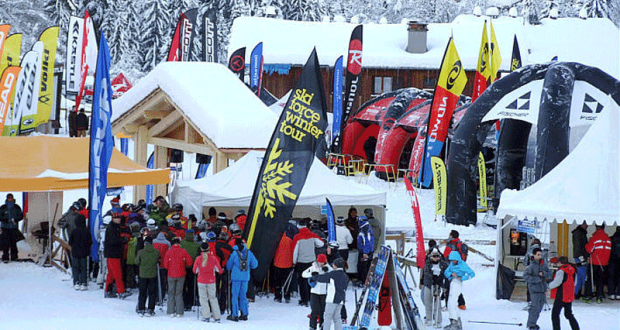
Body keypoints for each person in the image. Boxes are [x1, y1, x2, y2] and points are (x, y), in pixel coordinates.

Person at [293, 222, 325, 307]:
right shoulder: (312, 235)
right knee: (311, 280)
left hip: (301, 262)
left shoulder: (297, 237)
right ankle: (312, 299)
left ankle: (304, 300)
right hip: (312, 262)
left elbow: (295, 252)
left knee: (302, 282)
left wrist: (294, 262)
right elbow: (321, 243)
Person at [311, 258, 349, 330]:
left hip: (332, 299)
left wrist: (314, 277)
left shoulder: (333, 274)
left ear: (336, 266)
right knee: (337, 317)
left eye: (333, 264)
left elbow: (322, 278)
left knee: (327, 316)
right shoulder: (345, 276)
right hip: (341, 299)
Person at [226, 238, 258, 322]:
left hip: (235, 278)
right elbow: (255, 265)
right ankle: (244, 313)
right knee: (243, 296)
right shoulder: (249, 253)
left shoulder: (234, 253)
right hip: (245, 278)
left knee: (235, 296)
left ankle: (235, 315)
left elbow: (228, 266)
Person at [444, 251, 475, 330]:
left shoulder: (463, 265)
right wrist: (451, 274)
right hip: (453, 282)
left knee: (451, 303)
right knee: (452, 303)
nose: (453, 261)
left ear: (458, 259)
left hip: (457, 284)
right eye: (452, 260)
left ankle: (454, 323)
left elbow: (472, 274)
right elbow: (446, 272)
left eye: (454, 260)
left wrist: (461, 278)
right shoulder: (452, 265)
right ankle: (457, 322)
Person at [193, 242, 223, 322]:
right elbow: (219, 270)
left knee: (203, 299)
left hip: (201, 281)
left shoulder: (198, 258)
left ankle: (206, 316)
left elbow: (195, 271)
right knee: (213, 298)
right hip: (211, 281)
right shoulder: (213, 258)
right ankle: (217, 316)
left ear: (201, 249)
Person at [163, 236, 193, 317]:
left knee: (171, 293)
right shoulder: (184, 251)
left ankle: (171, 311)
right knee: (179, 293)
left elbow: (165, 265)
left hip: (171, 274)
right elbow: (189, 262)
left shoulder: (169, 252)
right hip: (181, 274)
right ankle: (179, 311)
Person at [524, 248, 552, 330]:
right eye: (538, 255)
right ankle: (531, 324)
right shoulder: (531, 266)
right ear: (534, 255)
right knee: (534, 308)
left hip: (542, 289)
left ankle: (533, 323)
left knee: (539, 308)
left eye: (540, 254)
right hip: (534, 290)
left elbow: (550, 274)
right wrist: (537, 279)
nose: (540, 256)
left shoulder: (544, 265)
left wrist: (544, 274)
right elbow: (526, 277)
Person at [104, 213, 132, 299]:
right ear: (113, 219)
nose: (119, 220)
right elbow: (113, 241)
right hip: (114, 254)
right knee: (117, 273)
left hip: (111, 253)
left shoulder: (113, 227)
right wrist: (123, 240)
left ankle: (108, 291)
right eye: (117, 218)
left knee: (111, 274)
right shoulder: (113, 228)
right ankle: (121, 291)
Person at [549, 256, 580, 330]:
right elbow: (575, 283)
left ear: (559, 263)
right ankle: (576, 328)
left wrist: (549, 286)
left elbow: (557, 282)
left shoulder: (561, 271)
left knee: (555, 314)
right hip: (569, 296)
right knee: (568, 314)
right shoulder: (572, 270)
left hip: (561, 295)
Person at [303, 254, 332, 330]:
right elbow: (303, 274)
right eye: (320, 262)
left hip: (324, 293)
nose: (321, 264)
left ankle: (323, 326)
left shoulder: (328, 268)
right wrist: (311, 274)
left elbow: (333, 276)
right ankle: (312, 326)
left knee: (323, 311)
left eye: (322, 262)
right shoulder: (313, 267)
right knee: (314, 310)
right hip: (314, 292)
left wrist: (328, 271)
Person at [421, 248, 448, 328]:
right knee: (427, 301)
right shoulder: (428, 263)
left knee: (437, 303)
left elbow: (444, 274)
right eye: (434, 256)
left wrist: (439, 280)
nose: (435, 258)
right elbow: (426, 273)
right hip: (429, 284)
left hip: (438, 285)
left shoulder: (442, 264)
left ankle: (438, 321)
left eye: (437, 256)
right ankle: (429, 319)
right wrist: (433, 278)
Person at [585, 224, 611, 303]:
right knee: (600, 280)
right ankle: (599, 296)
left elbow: (589, 249)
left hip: (594, 262)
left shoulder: (594, 238)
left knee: (590, 280)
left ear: (596, 227)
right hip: (604, 263)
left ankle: (588, 296)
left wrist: (587, 244)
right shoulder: (608, 239)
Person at [135, 236, 160, 317]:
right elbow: (158, 260)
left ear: (145, 243)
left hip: (143, 275)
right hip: (153, 274)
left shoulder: (140, 252)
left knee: (142, 292)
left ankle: (141, 308)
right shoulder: (156, 252)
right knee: (152, 292)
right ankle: (150, 309)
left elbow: (137, 262)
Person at [443, 230, 468, 310]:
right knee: (456, 285)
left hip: (451, 268)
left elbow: (445, 256)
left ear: (451, 236)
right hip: (459, 268)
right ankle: (461, 304)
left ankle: (448, 306)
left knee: (448, 287)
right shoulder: (459, 244)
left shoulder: (451, 245)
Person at [69, 214, 92, 291]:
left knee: (75, 268)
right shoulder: (87, 231)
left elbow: (70, 242)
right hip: (84, 253)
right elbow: (90, 242)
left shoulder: (74, 231)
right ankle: (84, 283)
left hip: (75, 252)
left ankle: (76, 282)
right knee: (84, 268)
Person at [0, 193, 23, 262]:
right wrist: (5, 220)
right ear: (7, 199)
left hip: (14, 227)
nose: (10, 199)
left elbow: (21, 216)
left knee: (13, 242)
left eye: (11, 198)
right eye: (9, 198)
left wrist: (16, 220)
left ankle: (14, 256)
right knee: (5, 243)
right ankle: (5, 257)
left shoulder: (16, 207)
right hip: (5, 228)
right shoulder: (3, 207)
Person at [180, 229, 200, 311]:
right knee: (192, 285)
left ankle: (184, 302)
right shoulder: (196, 245)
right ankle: (190, 302)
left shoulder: (182, 244)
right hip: (192, 268)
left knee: (183, 285)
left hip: (182, 267)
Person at [273, 232, 294, 303]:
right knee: (287, 282)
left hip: (278, 263)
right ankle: (287, 295)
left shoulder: (276, 240)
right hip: (288, 263)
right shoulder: (290, 240)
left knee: (277, 281)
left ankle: (278, 296)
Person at [571, 221, 589, 300]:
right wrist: (581, 257)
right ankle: (578, 292)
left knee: (580, 276)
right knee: (582, 276)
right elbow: (579, 246)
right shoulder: (580, 233)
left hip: (579, 256)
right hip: (580, 257)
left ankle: (577, 292)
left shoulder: (578, 232)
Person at [357, 216, 374, 283]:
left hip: (365, 252)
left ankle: (364, 281)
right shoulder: (364, 228)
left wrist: (365, 253)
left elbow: (367, 242)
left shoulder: (365, 230)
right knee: (362, 267)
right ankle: (363, 280)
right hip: (364, 251)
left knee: (364, 267)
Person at [608, 226, 620, 300]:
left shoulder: (611, 238)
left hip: (612, 260)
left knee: (611, 277)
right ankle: (619, 293)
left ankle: (611, 293)